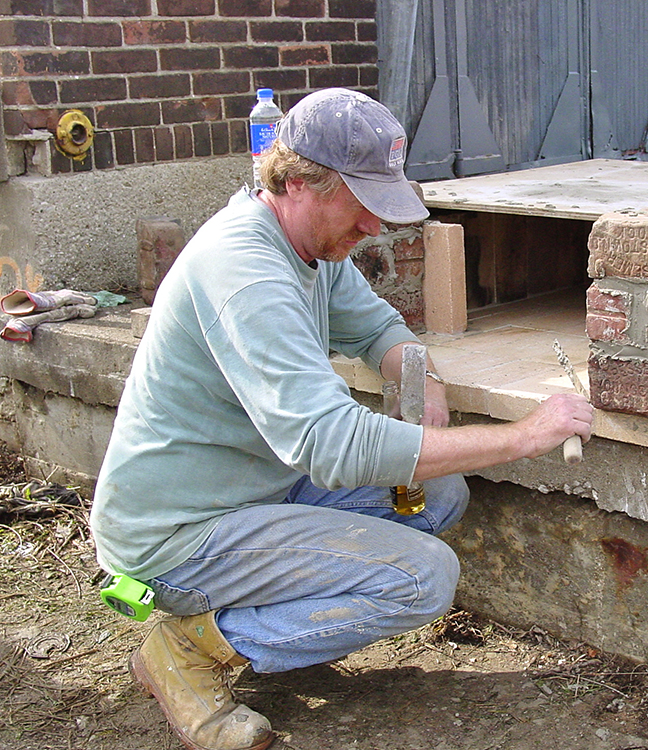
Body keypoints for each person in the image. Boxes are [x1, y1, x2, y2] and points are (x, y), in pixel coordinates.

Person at [89, 87, 593, 750]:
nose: (375, 227)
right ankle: (187, 649)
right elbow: (330, 444)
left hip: (252, 491)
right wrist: (523, 437)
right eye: (364, 203)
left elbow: (378, 328)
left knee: (437, 494)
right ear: (299, 181)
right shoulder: (246, 272)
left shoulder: (308, 248)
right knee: (421, 578)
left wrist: (420, 377)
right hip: (177, 536)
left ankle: (265, 621)